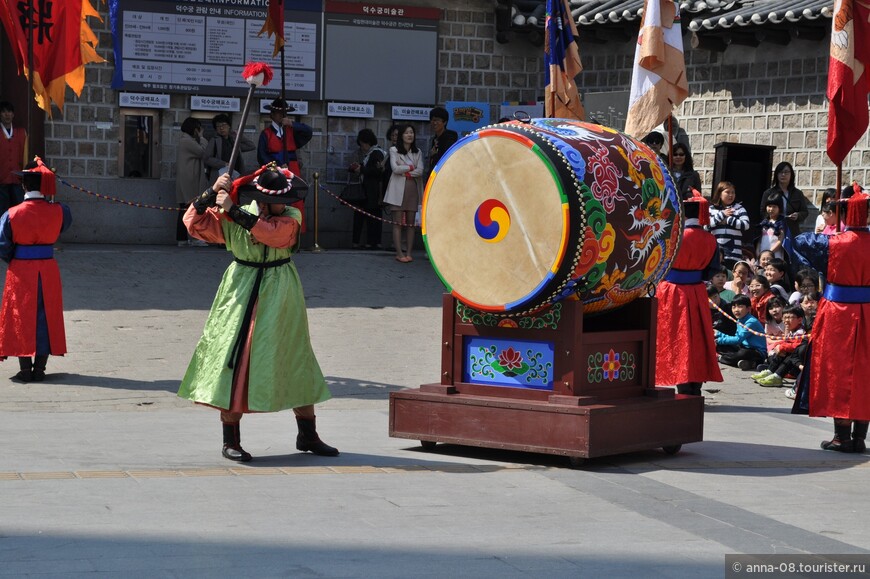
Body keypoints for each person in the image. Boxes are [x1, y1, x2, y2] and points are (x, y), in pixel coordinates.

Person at [179, 165, 338, 462]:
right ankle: (231, 439)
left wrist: (232, 211)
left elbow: (272, 235)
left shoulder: (290, 217)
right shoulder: (233, 211)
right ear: (263, 201)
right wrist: (211, 193)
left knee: (294, 355)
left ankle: (307, 433)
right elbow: (192, 222)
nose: (288, 204)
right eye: (282, 200)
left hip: (281, 290)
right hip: (241, 289)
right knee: (236, 359)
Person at [792, 190, 870, 452]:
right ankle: (860, 436)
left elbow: (800, 240)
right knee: (864, 372)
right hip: (868, 310)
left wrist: (830, 228)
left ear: (845, 214)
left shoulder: (834, 242)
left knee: (838, 370)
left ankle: (841, 436)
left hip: (839, 313)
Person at [0, 158, 72, 382]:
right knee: (46, 315)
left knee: (22, 315)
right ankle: (40, 368)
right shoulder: (60, 211)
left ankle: (24, 369)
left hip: (21, 270)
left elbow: (3, 245)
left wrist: (15, 257)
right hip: (48, 269)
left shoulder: (11, 214)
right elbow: (65, 224)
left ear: (23, 186)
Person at [654, 191, 723, 396]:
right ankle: (694, 384)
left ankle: (680, 379)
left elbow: (658, 263)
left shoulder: (673, 235)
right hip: (697, 292)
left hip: (672, 292)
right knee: (697, 339)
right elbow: (712, 270)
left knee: (675, 338)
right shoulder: (711, 239)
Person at [257, 98, 313, 230]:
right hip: (275, 171)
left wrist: (292, 123)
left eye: (284, 113)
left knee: (295, 201)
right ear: (271, 114)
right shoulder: (266, 133)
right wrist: (276, 166)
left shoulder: (291, 130)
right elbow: (261, 156)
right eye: (278, 113)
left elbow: (308, 132)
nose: (281, 116)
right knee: (277, 201)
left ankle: (295, 233)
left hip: (292, 169)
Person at [383, 124, 423, 263]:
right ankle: (399, 253)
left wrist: (405, 170)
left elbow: (421, 170)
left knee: (411, 224)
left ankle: (409, 252)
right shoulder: (394, 150)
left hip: (413, 189)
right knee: (397, 223)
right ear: (401, 135)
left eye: (411, 132)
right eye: (406, 133)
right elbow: (395, 169)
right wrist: (411, 167)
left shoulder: (418, 152)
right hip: (397, 190)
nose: (409, 135)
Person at [348, 129, 386, 249]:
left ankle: (372, 242)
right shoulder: (370, 153)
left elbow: (378, 171)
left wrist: (362, 169)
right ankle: (367, 242)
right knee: (366, 216)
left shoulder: (376, 153)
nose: (362, 147)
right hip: (368, 190)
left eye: (363, 144)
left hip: (374, 191)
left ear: (368, 142)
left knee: (372, 217)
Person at [753, 305, 807, 387]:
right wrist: (779, 345)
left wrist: (782, 347)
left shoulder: (801, 332)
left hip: (797, 363)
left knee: (789, 355)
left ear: (799, 320)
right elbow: (787, 342)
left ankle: (778, 376)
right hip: (789, 361)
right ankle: (770, 371)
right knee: (777, 355)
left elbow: (797, 346)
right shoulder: (791, 330)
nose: (786, 321)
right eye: (784, 318)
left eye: (789, 318)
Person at [175, 117, 208, 247]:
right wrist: (202, 137)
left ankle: (183, 239)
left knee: (185, 209)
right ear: (194, 129)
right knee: (190, 209)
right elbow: (203, 152)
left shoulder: (186, 140)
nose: (199, 131)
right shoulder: (187, 141)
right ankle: (192, 238)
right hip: (189, 181)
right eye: (198, 129)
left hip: (188, 180)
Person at [759, 161, 810, 240]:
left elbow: (805, 212)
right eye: (780, 172)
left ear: (791, 175)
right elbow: (762, 212)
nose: (783, 175)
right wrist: (773, 219)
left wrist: (798, 215)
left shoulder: (798, 193)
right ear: (776, 174)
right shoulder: (768, 193)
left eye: (786, 172)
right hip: (773, 231)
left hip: (792, 232)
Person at [715, 294, 767, 371]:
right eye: (734, 307)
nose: (736, 310)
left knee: (743, 353)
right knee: (722, 346)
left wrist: (718, 338)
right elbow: (737, 338)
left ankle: (721, 358)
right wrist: (719, 335)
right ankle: (747, 363)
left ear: (748, 308)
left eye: (740, 306)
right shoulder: (740, 320)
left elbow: (738, 339)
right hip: (743, 346)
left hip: (756, 352)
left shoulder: (751, 322)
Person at [708, 181, 750, 269]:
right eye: (727, 192)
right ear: (719, 193)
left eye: (733, 192)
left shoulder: (739, 208)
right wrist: (721, 215)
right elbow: (706, 226)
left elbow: (746, 225)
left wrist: (729, 220)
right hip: (716, 252)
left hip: (734, 253)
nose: (731, 195)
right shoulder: (711, 209)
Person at [204, 113, 255, 181]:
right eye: (218, 126)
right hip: (220, 175)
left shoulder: (233, 141)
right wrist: (224, 164)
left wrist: (238, 135)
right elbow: (207, 158)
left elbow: (251, 146)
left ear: (229, 126)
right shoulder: (214, 140)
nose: (221, 128)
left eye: (223, 125)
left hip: (236, 174)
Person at [0, 101, 27, 217]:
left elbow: (25, 157)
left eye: (9, 112)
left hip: (17, 179)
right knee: (2, 214)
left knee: (19, 212)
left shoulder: (22, 133)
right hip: (1, 179)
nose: (7, 115)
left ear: (13, 114)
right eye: (4, 112)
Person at [427, 106, 459, 176]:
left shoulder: (450, 138)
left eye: (437, 120)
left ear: (444, 122)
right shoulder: (434, 139)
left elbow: (447, 159)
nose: (434, 123)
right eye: (432, 120)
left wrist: (434, 155)